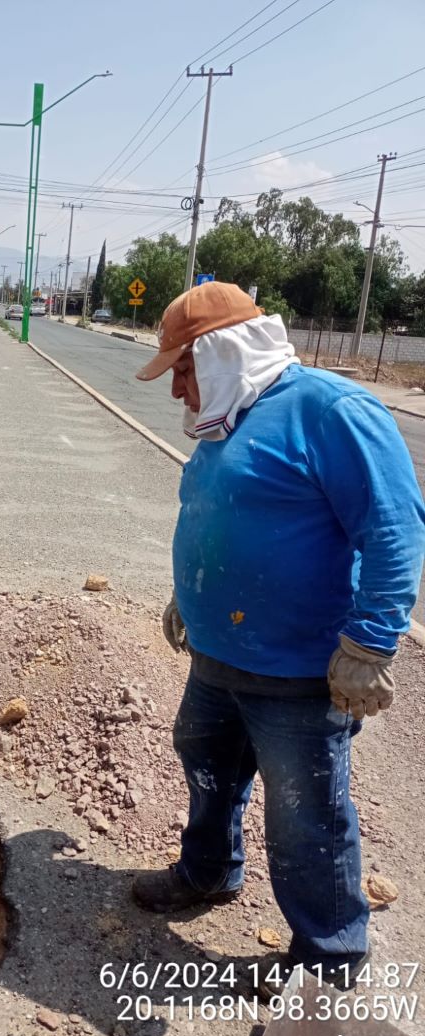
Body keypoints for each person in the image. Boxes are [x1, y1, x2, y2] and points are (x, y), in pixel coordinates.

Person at [132, 282, 425, 994]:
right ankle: (209, 872)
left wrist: (370, 644)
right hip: (218, 657)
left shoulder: (331, 412)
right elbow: (217, 512)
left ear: (221, 353)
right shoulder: (224, 418)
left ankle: (329, 958)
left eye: (182, 368)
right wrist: (190, 592)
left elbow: (394, 528)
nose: (175, 388)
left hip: (298, 672)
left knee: (305, 816)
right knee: (207, 766)